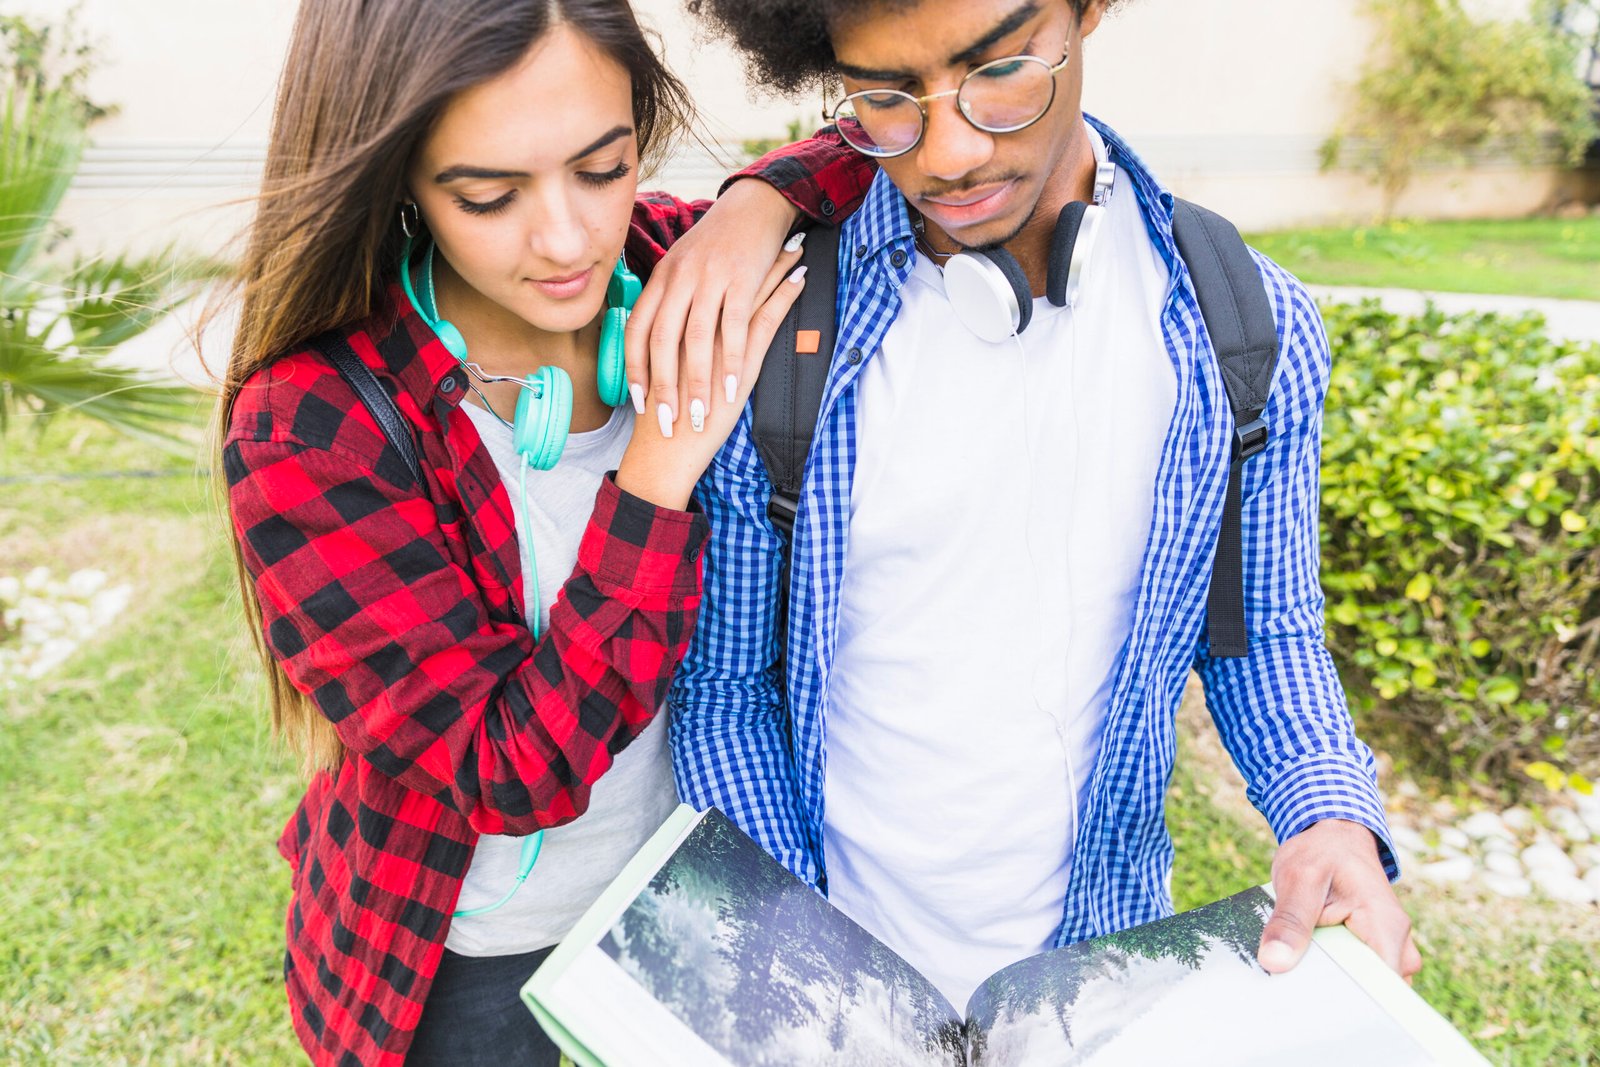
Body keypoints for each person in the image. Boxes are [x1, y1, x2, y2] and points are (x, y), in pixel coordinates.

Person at [665, 0, 1422, 1011]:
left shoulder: (1242, 322)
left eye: (1000, 70)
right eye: (886, 98)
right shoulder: (781, 324)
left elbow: (1263, 630)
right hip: (828, 979)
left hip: (1094, 980)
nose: (950, 153)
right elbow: (725, 690)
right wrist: (805, 965)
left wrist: (1325, 812)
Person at [216, 1, 873, 1063]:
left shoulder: (671, 269)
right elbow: (509, 769)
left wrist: (749, 205)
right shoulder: (313, 425)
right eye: (488, 195)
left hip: (693, 898)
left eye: (603, 168)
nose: (566, 238)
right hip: (469, 955)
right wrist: (655, 472)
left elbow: (873, 138)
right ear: (400, 181)